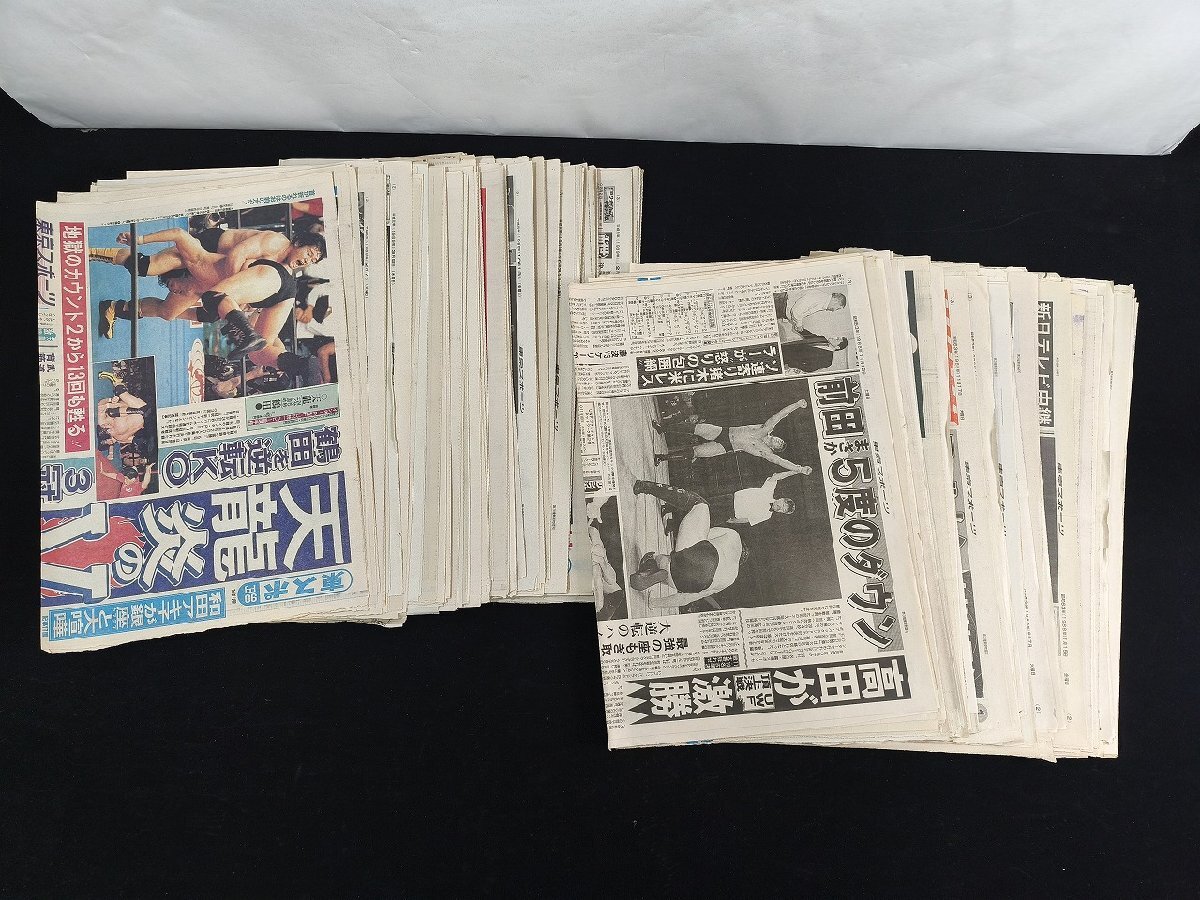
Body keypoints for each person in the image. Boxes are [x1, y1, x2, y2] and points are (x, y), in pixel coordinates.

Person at [91, 226, 326, 336]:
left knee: (168, 312)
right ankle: (92, 252)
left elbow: (244, 293)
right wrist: (231, 293)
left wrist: (235, 298)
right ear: (299, 243)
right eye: (309, 253)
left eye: (312, 260)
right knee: (148, 266)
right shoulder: (275, 242)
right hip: (209, 249)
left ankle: (114, 308)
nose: (308, 260)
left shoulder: (283, 273)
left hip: (212, 279)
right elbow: (236, 256)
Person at [627, 488, 746, 610]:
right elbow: (689, 598)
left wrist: (677, 551)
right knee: (681, 575)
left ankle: (653, 562)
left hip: (700, 559)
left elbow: (702, 537)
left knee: (701, 506)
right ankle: (657, 573)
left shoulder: (734, 537)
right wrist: (654, 603)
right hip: (683, 582)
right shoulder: (731, 577)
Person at [651, 397, 812, 471]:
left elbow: (780, 461)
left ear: (774, 448)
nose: (778, 441)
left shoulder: (766, 452)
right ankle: (662, 428)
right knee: (695, 428)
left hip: (726, 447)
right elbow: (780, 415)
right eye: (780, 440)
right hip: (723, 431)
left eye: (779, 444)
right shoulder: (766, 428)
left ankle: (662, 457)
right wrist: (797, 405)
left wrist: (798, 469)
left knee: (696, 452)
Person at [637, 469, 805, 532]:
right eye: (783, 504)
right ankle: (668, 508)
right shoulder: (768, 491)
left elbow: (749, 520)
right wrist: (796, 470)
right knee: (698, 505)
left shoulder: (767, 516)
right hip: (729, 500)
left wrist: (733, 521)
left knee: (704, 521)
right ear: (781, 498)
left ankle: (672, 524)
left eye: (783, 510)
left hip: (730, 513)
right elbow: (776, 476)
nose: (780, 507)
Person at [774, 288, 847, 334]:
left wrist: (796, 324)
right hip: (779, 303)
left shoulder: (823, 301)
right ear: (835, 300)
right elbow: (796, 310)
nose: (834, 310)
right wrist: (799, 324)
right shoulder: (820, 297)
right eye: (837, 308)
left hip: (782, 307)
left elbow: (798, 311)